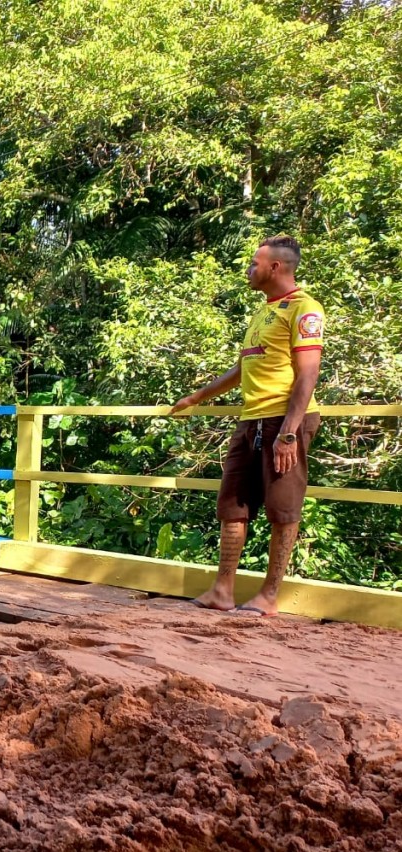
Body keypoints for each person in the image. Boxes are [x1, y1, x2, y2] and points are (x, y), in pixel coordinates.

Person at [171, 234, 324, 617]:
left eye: (255, 263)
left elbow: (307, 375)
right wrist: (197, 397)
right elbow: (244, 369)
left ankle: (268, 596)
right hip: (251, 419)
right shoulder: (263, 312)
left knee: (283, 508)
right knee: (233, 505)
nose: (249, 269)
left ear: (276, 267)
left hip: (284, 419)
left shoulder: (304, 309)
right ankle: (222, 590)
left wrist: (289, 431)